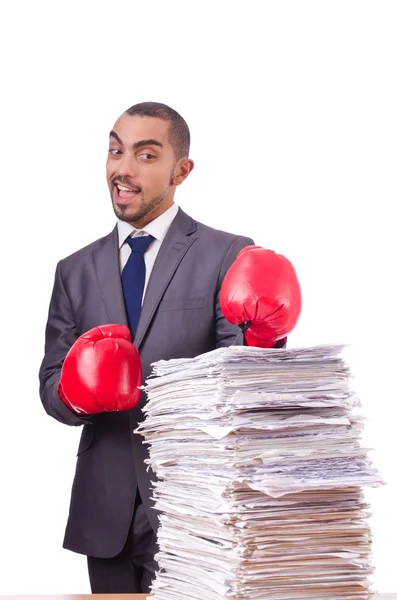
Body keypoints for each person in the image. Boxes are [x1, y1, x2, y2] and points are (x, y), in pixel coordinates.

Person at [38, 101, 300, 593]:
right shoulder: (73, 270)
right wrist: (74, 392)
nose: (123, 168)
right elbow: (50, 385)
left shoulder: (227, 253)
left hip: (197, 503)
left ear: (182, 170)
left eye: (145, 154)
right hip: (105, 507)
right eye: (116, 151)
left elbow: (248, 384)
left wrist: (266, 339)